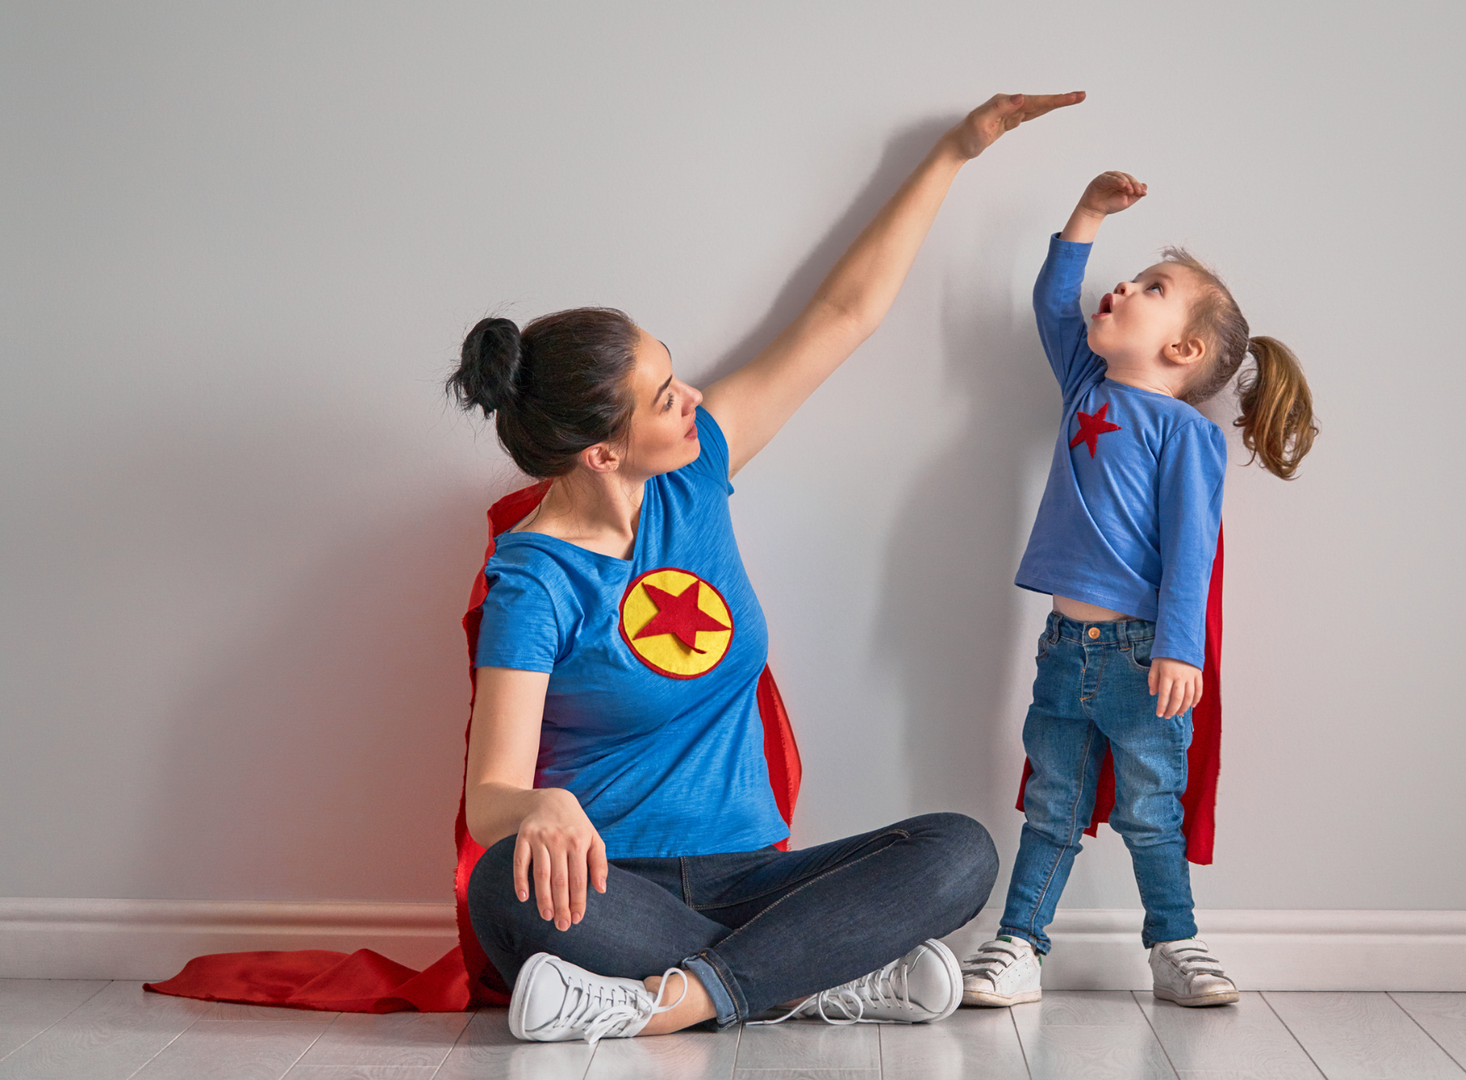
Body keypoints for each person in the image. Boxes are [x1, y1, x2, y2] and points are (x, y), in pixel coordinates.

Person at [448, 91, 1084, 1043]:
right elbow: (488, 798)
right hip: (614, 885)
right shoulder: (533, 581)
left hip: (757, 873)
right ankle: (814, 974)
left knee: (959, 852)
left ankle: (680, 999)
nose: (692, 398)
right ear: (602, 453)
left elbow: (844, 312)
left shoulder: (693, 474)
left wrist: (958, 149)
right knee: (507, 892)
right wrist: (538, 804)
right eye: (666, 397)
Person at [958, 172, 1316, 1009]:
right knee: (1051, 805)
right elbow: (1055, 303)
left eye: (1153, 289)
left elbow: (1195, 551)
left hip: (1140, 658)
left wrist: (1178, 646)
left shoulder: (1187, 434)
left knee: (1153, 811)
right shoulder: (1085, 383)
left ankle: (1175, 942)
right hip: (1063, 650)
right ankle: (1018, 945)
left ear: (1184, 351)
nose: (1121, 288)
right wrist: (1086, 216)